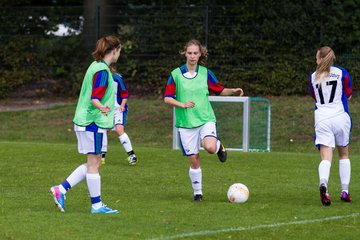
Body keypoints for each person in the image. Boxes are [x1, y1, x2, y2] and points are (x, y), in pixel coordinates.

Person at [164, 39, 244, 202]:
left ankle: (218, 146)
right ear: (184, 53)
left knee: (209, 147)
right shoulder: (176, 75)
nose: (192, 56)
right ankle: (198, 193)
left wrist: (233, 91)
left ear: (200, 54)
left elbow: (220, 90)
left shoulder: (206, 73)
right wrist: (182, 104)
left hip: (205, 118)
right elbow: (167, 98)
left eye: (195, 53)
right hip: (185, 123)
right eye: (189, 53)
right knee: (193, 159)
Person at [49, 35, 121, 214]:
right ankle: (96, 205)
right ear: (115, 51)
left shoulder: (96, 65)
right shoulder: (103, 71)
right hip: (92, 122)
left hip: (87, 121)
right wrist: (102, 107)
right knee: (93, 162)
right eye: (119, 51)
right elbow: (95, 97)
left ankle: (62, 189)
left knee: (95, 162)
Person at [309, 46, 353, 206]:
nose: (315, 60)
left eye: (316, 57)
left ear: (320, 58)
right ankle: (345, 191)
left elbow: (314, 96)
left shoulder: (313, 77)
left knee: (326, 157)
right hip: (340, 117)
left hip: (322, 118)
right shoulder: (342, 73)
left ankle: (324, 186)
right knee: (344, 155)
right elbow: (348, 94)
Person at [101, 71, 137, 165]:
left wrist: (122, 105)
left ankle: (132, 156)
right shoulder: (100, 77)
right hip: (107, 109)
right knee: (104, 130)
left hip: (118, 108)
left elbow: (124, 93)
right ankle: (102, 157)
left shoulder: (116, 78)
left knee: (119, 130)